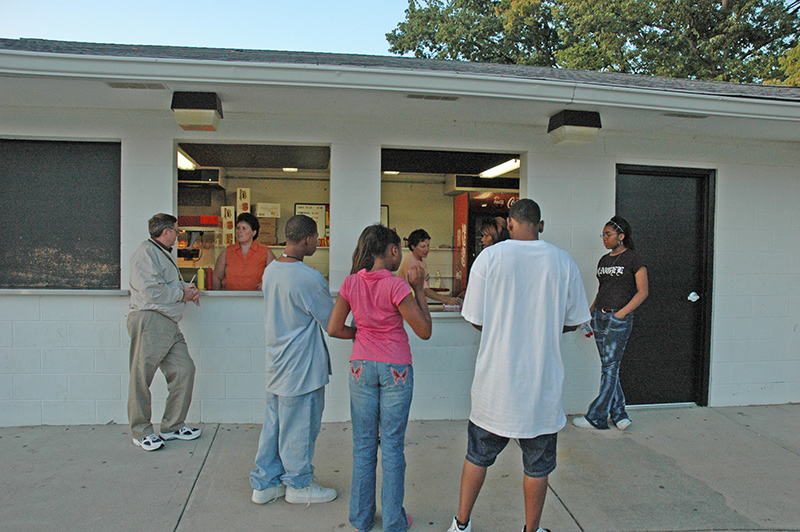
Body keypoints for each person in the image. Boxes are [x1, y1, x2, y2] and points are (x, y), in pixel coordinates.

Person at [448, 199, 591, 532]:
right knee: (537, 467)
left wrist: (501, 326)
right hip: (541, 388)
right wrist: (545, 324)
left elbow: (474, 318)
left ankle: (461, 524)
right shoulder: (563, 262)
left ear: (509, 224)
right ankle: (531, 530)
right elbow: (573, 320)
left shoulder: (490, 258)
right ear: (540, 225)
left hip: (494, 387)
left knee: (477, 456)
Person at [328, 224, 431, 532]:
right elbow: (424, 330)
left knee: (363, 446)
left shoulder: (350, 283)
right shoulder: (396, 285)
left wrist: (359, 334)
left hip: (361, 366)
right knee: (392, 446)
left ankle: (361, 519)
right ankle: (393, 522)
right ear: (391, 251)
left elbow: (334, 328)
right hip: (395, 368)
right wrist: (420, 289)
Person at [250, 214, 337, 505]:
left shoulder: (271, 270)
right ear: (307, 239)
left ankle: (265, 483)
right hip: (301, 367)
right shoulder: (308, 277)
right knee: (300, 425)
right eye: (316, 237)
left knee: (274, 424)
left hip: (276, 363)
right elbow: (332, 322)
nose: (317, 242)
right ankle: (299, 485)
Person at [127, 213, 202, 452]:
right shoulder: (145, 253)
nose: (178, 236)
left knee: (184, 369)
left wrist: (186, 288)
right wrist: (182, 294)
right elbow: (151, 291)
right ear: (166, 232)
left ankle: (172, 426)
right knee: (142, 377)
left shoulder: (162, 253)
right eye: (177, 231)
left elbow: (166, 285)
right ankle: (141, 432)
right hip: (150, 320)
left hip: (168, 323)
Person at [573, 216, 648, 431]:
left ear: (621, 236)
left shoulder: (634, 258)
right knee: (609, 368)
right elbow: (602, 290)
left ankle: (596, 416)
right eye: (603, 235)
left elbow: (643, 291)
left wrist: (621, 314)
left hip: (618, 318)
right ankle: (619, 413)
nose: (604, 239)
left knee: (610, 366)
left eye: (608, 234)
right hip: (599, 317)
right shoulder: (604, 261)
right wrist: (590, 311)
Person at [212, 212, 277, 290]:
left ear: (254, 232)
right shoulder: (227, 251)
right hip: (230, 299)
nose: (239, 231)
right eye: (238, 228)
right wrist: (218, 298)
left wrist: (266, 283)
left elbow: (277, 276)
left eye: (244, 228)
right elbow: (217, 277)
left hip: (257, 299)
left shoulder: (265, 252)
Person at [397, 228, 460, 306]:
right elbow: (423, 290)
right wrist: (446, 299)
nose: (427, 249)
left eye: (428, 245)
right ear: (413, 246)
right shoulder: (413, 264)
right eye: (423, 247)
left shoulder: (418, 258)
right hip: (411, 304)